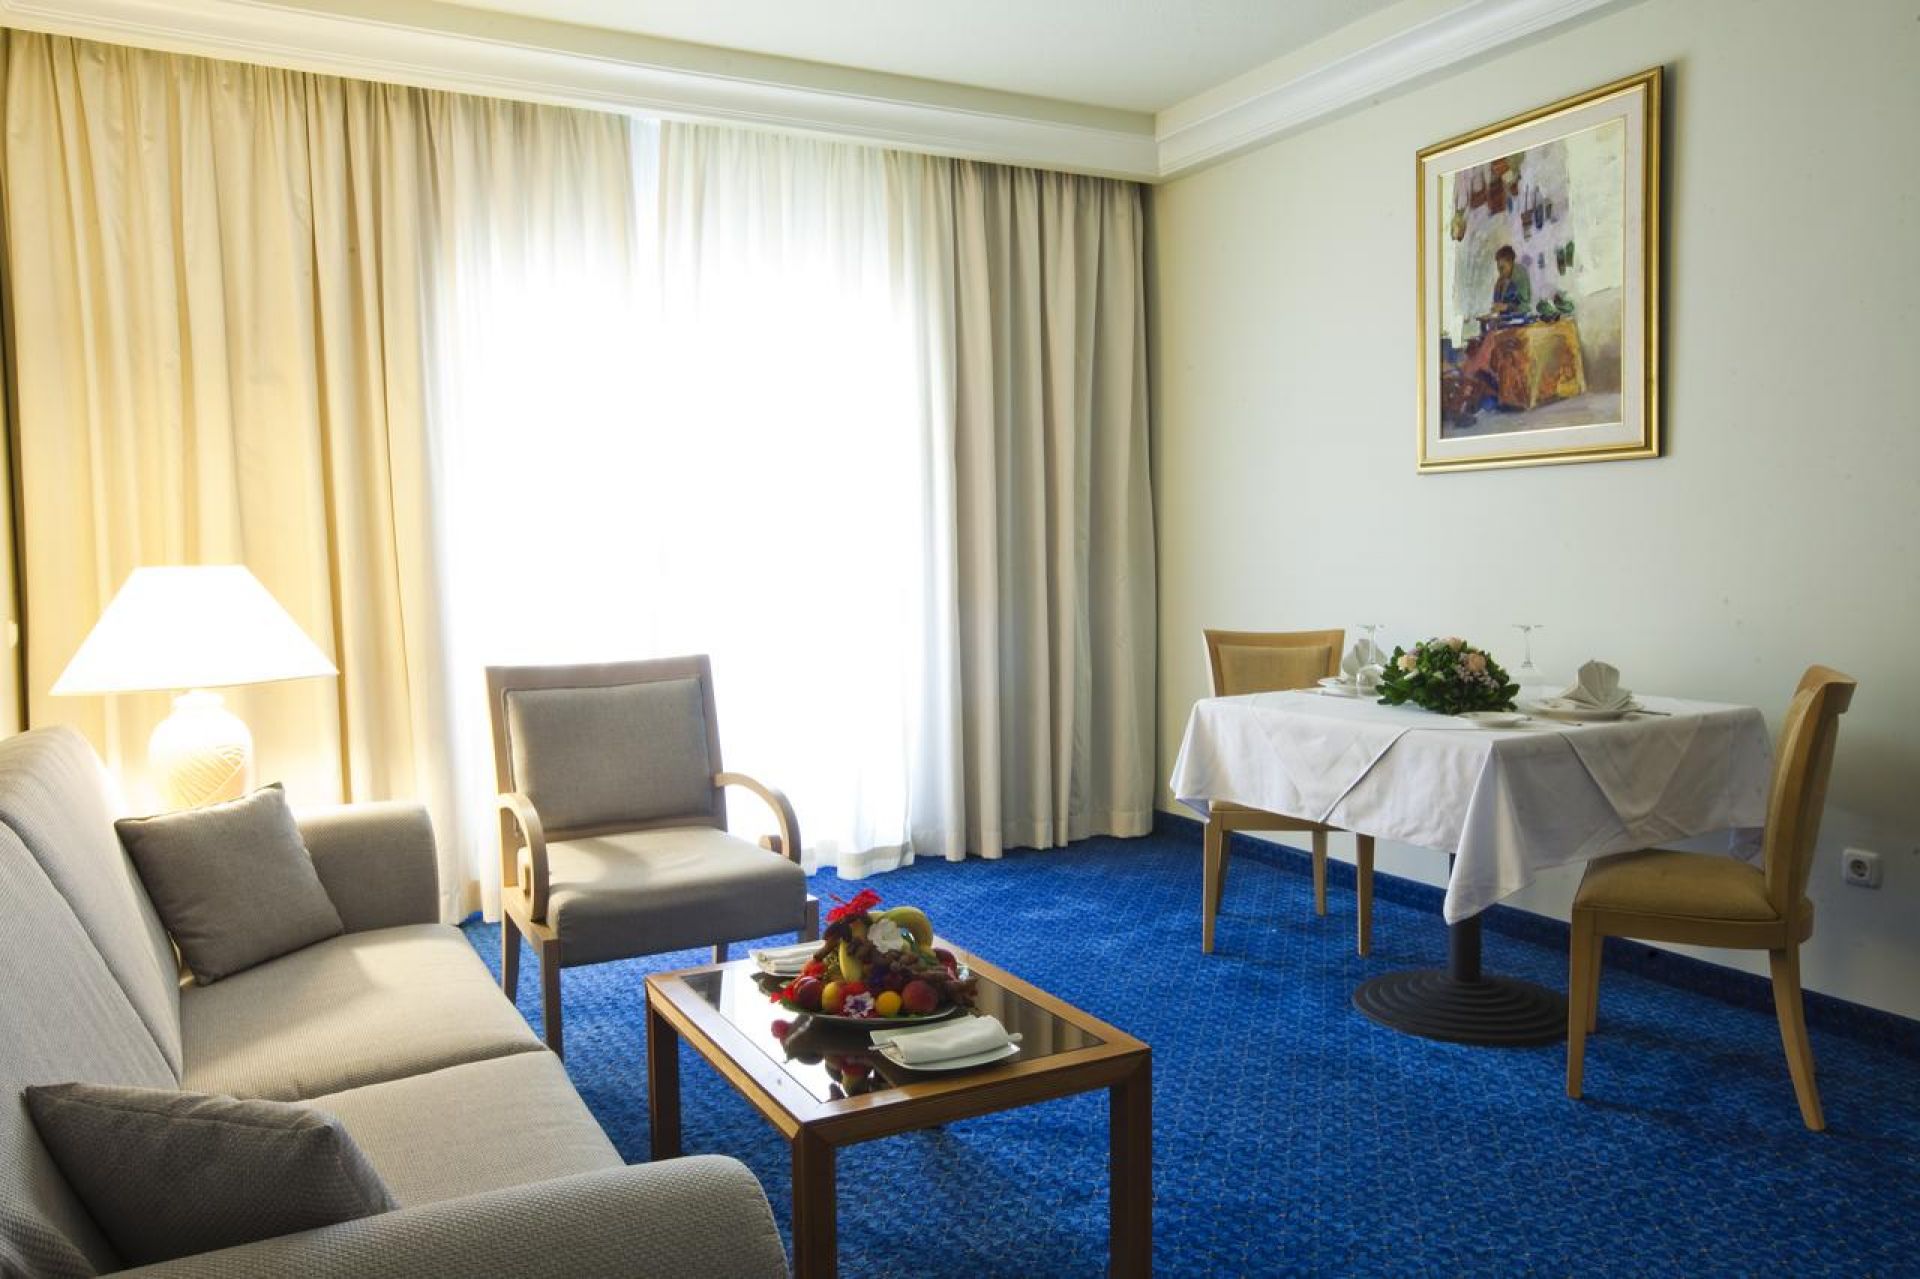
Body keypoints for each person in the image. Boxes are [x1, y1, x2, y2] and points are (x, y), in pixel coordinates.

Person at [1490, 244, 1531, 315]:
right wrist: (1497, 288)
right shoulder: (1501, 279)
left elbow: (1525, 306)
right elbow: (1496, 305)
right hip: (1504, 318)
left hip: (1520, 318)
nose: (1500, 272)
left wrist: (1506, 307)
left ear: (1511, 263)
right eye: (1498, 268)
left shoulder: (1520, 276)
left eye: (1502, 268)